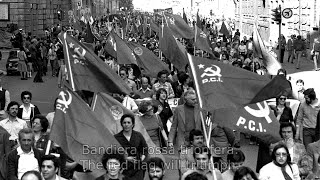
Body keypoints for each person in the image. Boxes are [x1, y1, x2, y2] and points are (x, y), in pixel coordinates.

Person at [114, 114, 148, 179]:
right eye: (124, 122)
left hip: (137, 169)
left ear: (133, 124)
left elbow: (145, 149)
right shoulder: (116, 138)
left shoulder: (138, 135)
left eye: (129, 122)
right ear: (121, 124)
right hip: (123, 170)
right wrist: (126, 158)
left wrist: (141, 159)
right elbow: (113, 154)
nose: (126, 124)